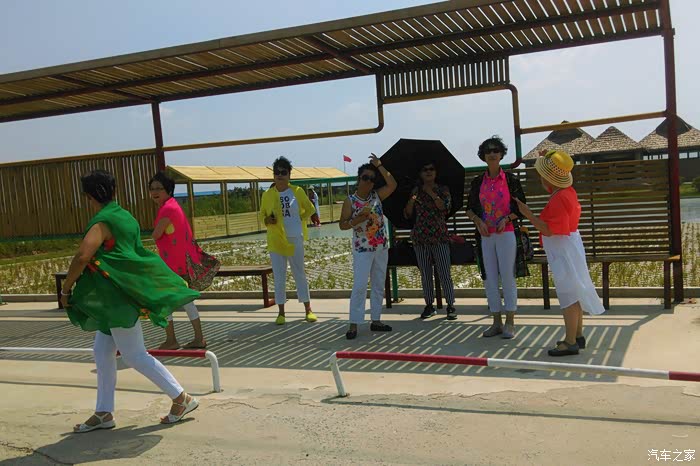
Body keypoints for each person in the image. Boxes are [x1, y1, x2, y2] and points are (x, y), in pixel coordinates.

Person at [61, 170, 200, 433]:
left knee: (134, 354)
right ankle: (104, 412)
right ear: (113, 191)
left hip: (115, 300)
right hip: (116, 298)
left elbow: (82, 256)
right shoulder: (125, 217)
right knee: (102, 352)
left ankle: (181, 398)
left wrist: (66, 289)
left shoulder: (102, 221)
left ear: (88, 196)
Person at [515, 150, 605, 356]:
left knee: (568, 295)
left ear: (548, 178)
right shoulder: (567, 192)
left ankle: (570, 341)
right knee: (575, 291)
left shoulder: (558, 199)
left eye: (542, 174)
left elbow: (549, 229)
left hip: (562, 249)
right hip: (569, 245)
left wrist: (528, 214)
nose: (540, 178)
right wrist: (548, 157)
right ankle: (577, 336)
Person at [149, 171, 220, 350]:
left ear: (168, 190)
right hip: (179, 263)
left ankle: (172, 340)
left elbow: (156, 234)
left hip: (173, 265)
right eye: (152, 188)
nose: (155, 192)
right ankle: (197, 338)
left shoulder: (167, 209)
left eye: (159, 188)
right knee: (186, 301)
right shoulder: (173, 205)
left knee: (166, 301)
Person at [466, 136, 528, 339]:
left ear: (501, 154)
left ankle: (510, 321)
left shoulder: (511, 180)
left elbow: (521, 207)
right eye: (488, 151)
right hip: (486, 236)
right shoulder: (477, 182)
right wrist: (478, 221)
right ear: (483, 156)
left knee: (508, 276)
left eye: (495, 150)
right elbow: (469, 209)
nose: (492, 153)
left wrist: (507, 219)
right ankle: (496, 322)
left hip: (506, 234)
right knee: (489, 279)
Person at [339, 154, 397, 339]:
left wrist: (379, 166)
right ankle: (354, 323)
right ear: (358, 179)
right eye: (365, 177)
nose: (368, 182)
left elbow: (392, 184)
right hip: (362, 249)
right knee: (360, 285)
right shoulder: (350, 201)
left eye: (372, 179)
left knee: (378, 284)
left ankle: (376, 320)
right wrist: (356, 220)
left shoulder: (376, 196)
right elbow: (342, 225)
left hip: (380, 247)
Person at [260, 156, 318, 325]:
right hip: (276, 240)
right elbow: (262, 214)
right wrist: (267, 220)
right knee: (279, 276)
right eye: (276, 172)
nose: (280, 175)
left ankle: (308, 309)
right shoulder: (267, 195)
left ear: (289, 175)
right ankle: (281, 313)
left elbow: (310, 209)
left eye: (283, 172)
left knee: (299, 273)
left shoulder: (297, 191)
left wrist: (300, 218)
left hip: (295, 238)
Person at [403, 160, 457, 320]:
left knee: (444, 273)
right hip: (420, 237)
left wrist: (431, 193)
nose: (428, 171)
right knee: (425, 275)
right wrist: (412, 199)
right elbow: (408, 213)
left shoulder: (443, 189)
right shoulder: (416, 191)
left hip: (439, 236)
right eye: (424, 169)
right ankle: (429, 305)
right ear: (420, 174)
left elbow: (445, 208)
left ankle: (451, 305)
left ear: (436, 172)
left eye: (431, 169)